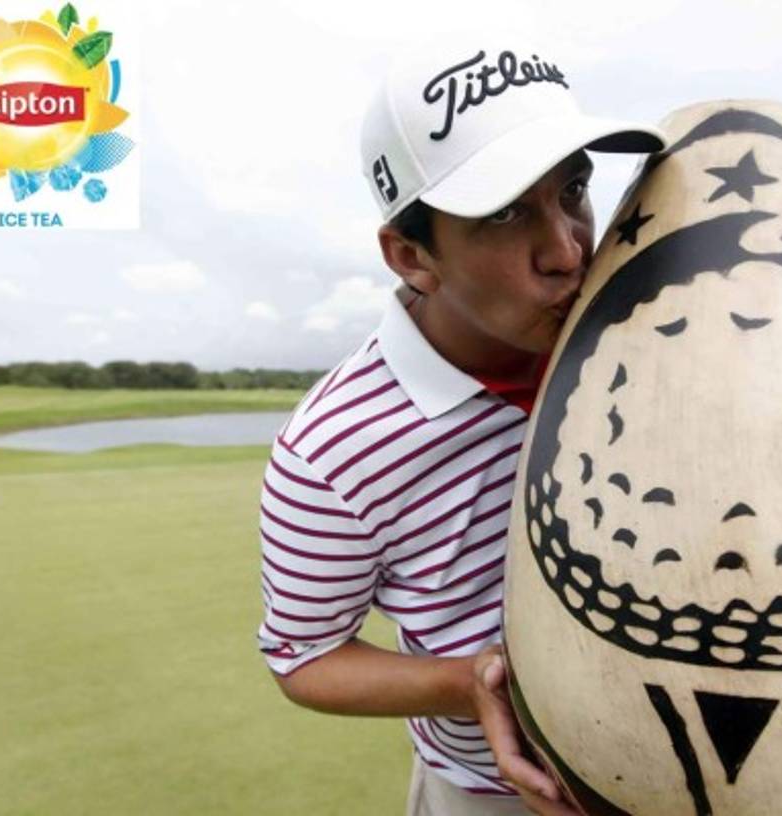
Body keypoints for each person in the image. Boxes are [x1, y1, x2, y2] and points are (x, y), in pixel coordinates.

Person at [254, 40, 664, 816]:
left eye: (574, 187)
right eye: (505, 211)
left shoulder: (645, 341)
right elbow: (303, 658)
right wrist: (469, 683)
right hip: (494, 799)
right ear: (411, 255)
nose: (568, 249)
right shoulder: (334, 447)